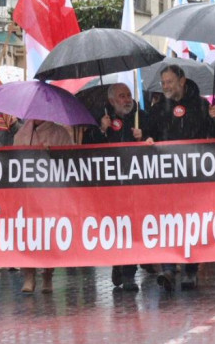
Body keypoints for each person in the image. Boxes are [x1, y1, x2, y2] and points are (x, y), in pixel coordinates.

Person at [145, 65, 215, 291]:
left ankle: (190, 270)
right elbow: (148, 135)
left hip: (194, 177)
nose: (166, 87)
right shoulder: (159, 108)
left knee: (192, 224)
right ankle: (168, 269)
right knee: (167, 223)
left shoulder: (202, 106)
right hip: (166, 178)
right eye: (163, 83)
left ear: (182, 81)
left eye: (169, 82)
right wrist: (146, 139)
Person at [84, 83, 148, 292]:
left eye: (128, 95)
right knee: (116, 228)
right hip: (110, 187)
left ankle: (129, 272)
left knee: (131, 227)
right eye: (122, 96)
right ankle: (118, 262)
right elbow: (86, 147)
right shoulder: (101, 117)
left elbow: (157, 141)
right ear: (112, 100)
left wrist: (144, 138)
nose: (127, 99)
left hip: (134, 186)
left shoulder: (141, 116)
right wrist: (102, 130)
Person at [15, 118, 75, 294]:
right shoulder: (21, 134)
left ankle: (47, 274)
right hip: (27, 191)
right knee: (27, 233)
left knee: (48, 233)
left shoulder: (60, 133)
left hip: (51, 191)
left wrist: (53, 154)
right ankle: (28, 275)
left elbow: (70, 160)